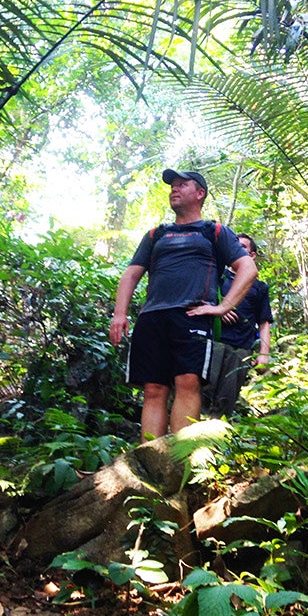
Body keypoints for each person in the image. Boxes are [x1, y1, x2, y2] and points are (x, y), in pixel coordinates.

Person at [109, 169, 258, 440]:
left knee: (187, 382)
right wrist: (120, 314)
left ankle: (180, 457)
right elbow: (131, 274)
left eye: (182, 184)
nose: (174, 189)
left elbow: (247, 268)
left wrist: (223, 306)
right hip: (152, 317)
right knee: (153, 388)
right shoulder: (156, 234)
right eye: (172, 186)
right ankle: (150, 456)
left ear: (200, 193)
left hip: (192, 315)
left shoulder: (214, 231)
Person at [204, 233, 274, 417]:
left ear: (252, 255)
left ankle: (217, 432)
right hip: (212, 343)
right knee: (201, 392)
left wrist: (264, 354)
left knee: (225, 400)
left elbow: (264, 322)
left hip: (240, 349)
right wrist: (219, 308)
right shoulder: (217, 276)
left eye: (243, 246)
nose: (237, 248)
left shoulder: (259, 287)